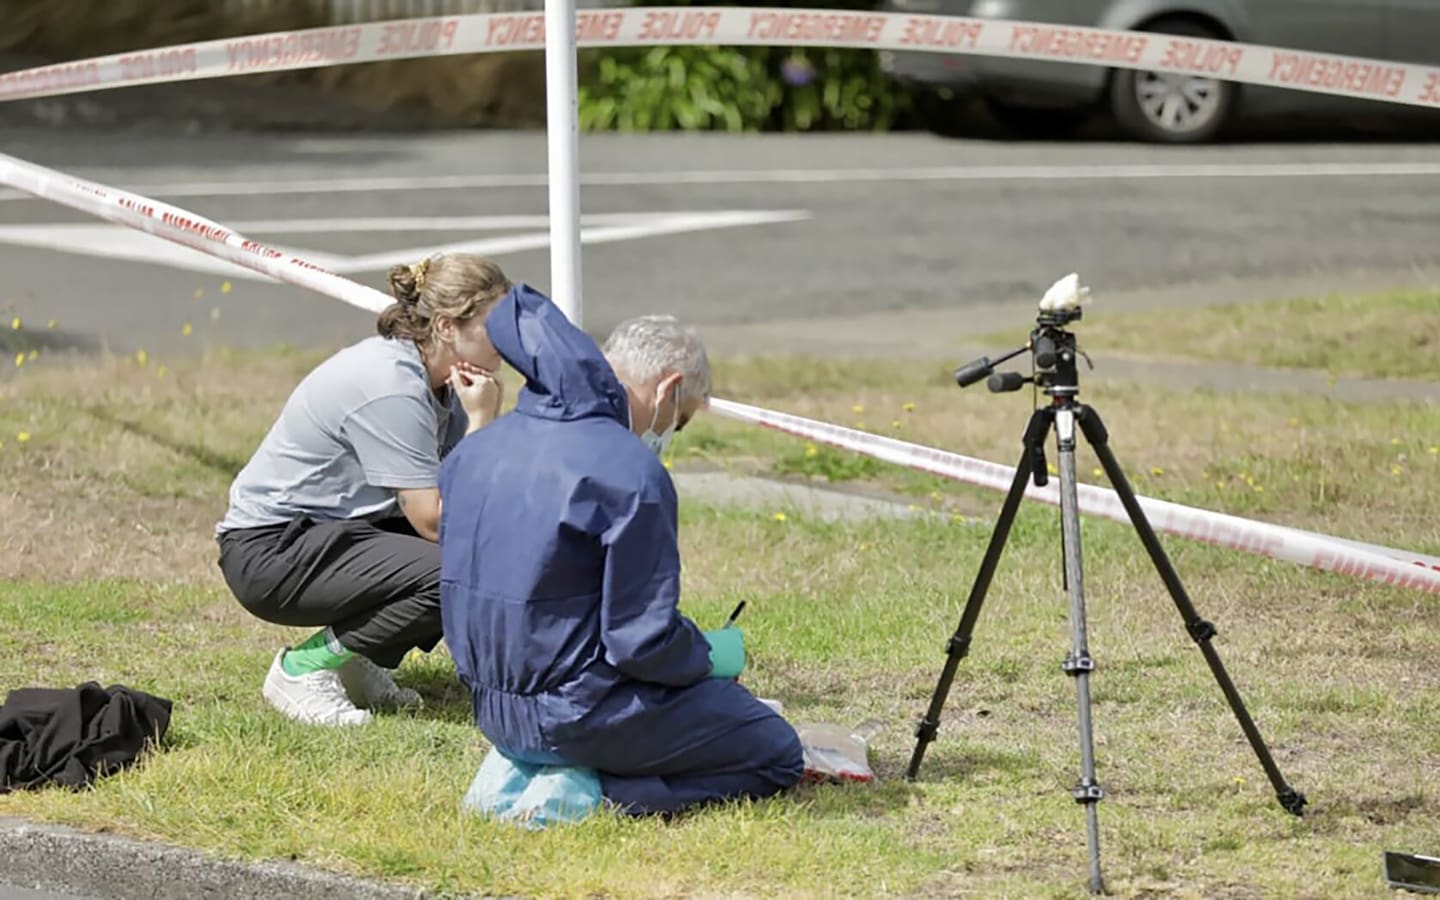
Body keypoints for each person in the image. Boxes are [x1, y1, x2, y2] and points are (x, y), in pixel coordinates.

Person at [439, 283, 804, 817]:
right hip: (577, 714)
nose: (669, 433)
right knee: (774, 749)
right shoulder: (630, 473)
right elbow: (640, 642)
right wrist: (706, 656)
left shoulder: (481, 448)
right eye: (680, 420)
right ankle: (595, 795)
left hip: (492, 709)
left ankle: (528, 768)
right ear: (669, 389)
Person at [216, 253, 512, 727]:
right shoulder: (393, 385)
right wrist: (481, 421)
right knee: (457, 567)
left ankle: (357, 660)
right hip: (270, 550)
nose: (508, 336)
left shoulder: (442, 382)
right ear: (445, 326)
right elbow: (437, 521)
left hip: (328, 531)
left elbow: (469, 493)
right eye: (494, 325)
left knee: (487, 545)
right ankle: (302, 669)